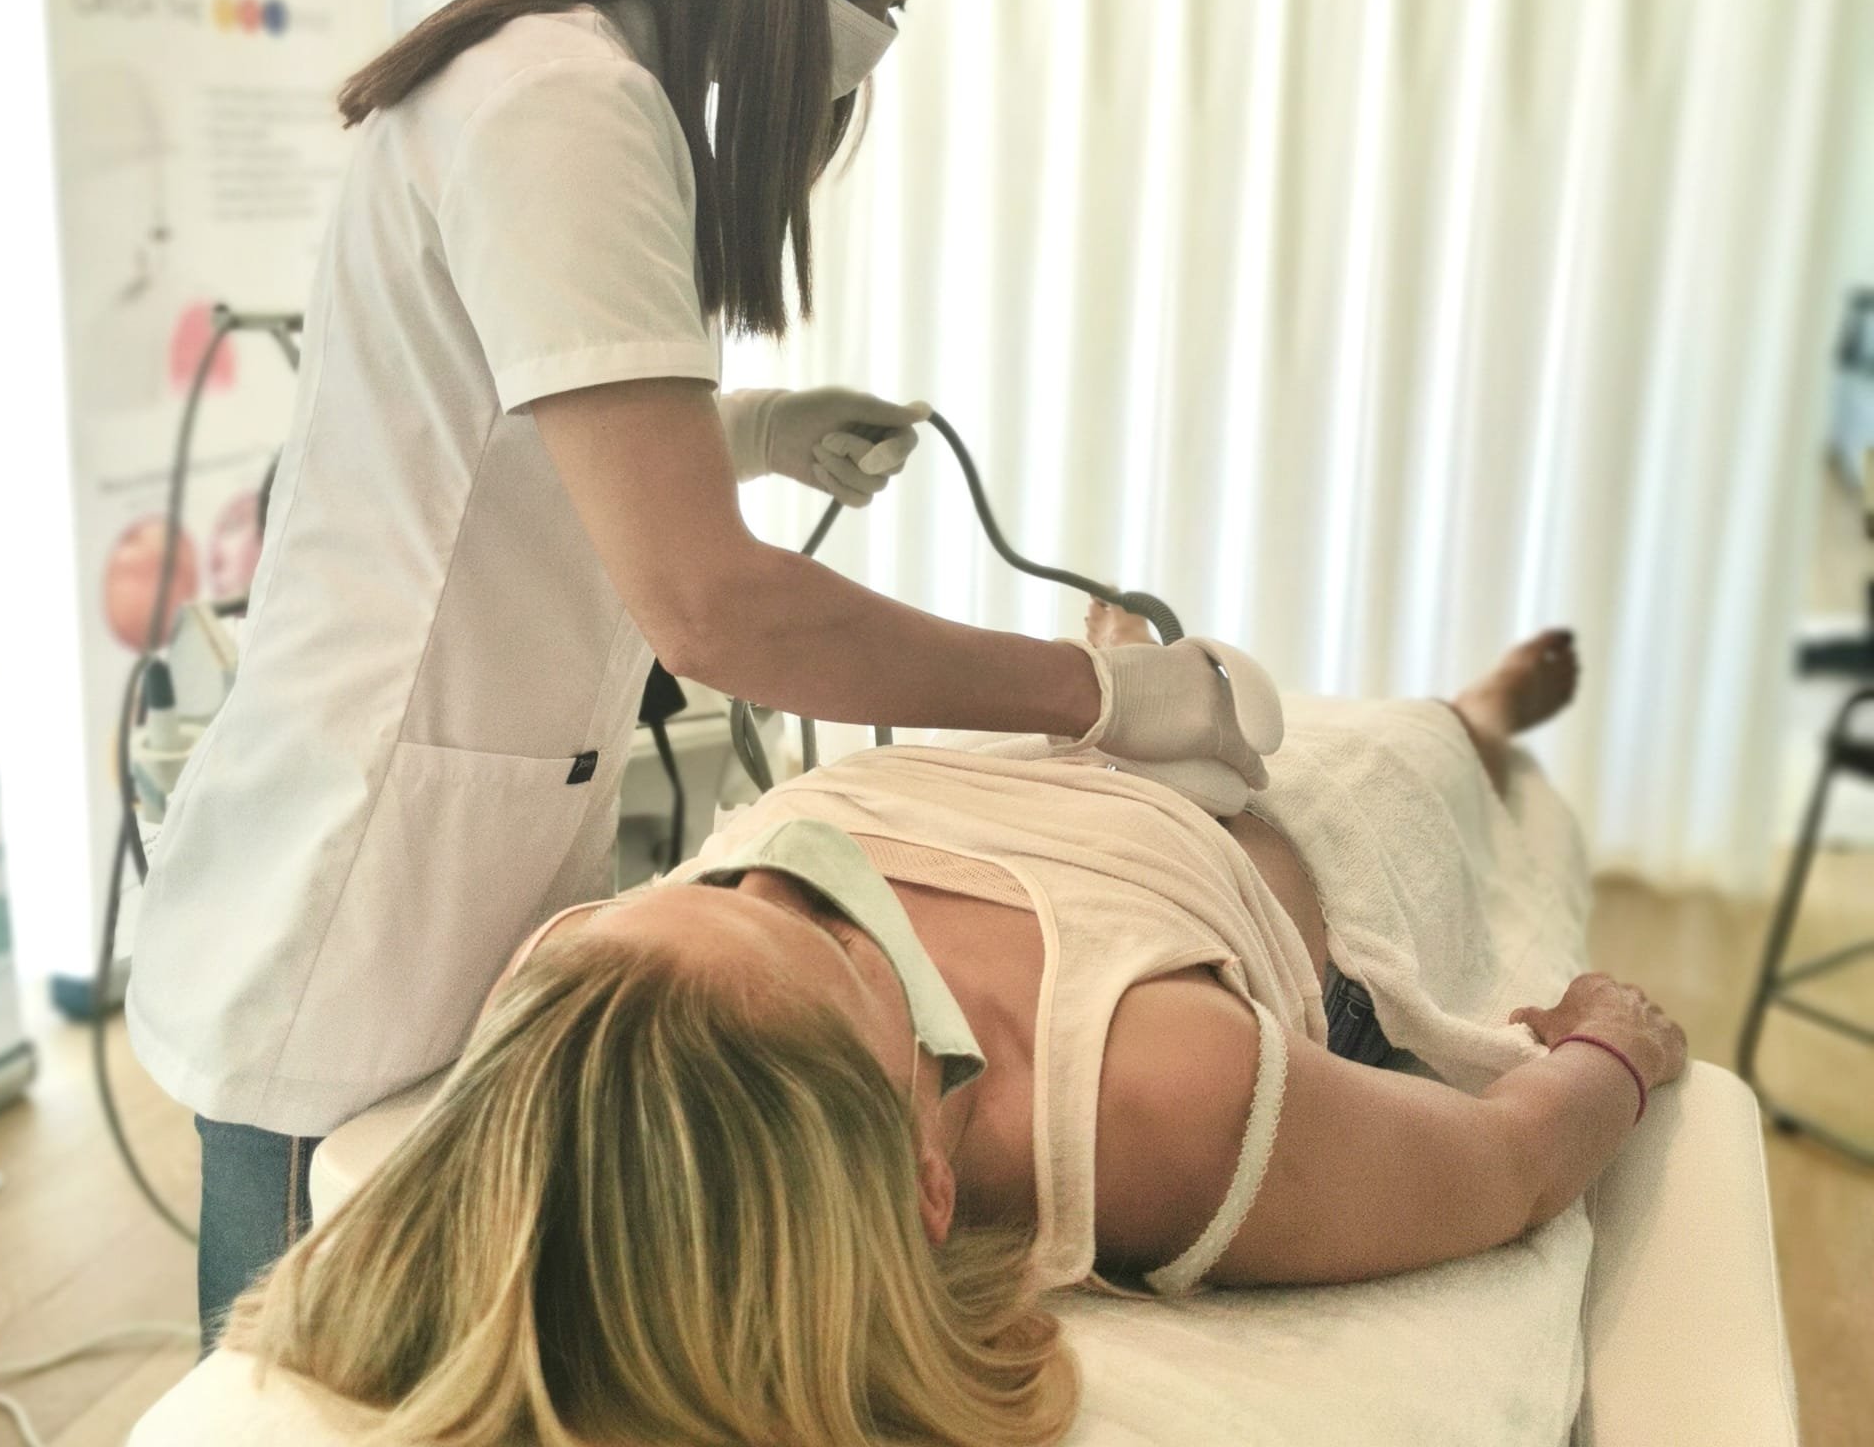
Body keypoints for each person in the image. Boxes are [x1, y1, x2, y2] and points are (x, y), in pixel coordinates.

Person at [125, 0, 1276, 1342]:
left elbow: (510, 432)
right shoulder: (564, 101)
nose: (869, 36)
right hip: (360, 898)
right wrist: (1102, 692)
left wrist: (758, 429)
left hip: (454, 861)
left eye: (905, 1)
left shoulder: (577, 88)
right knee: (306, 1377)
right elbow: (713, 608)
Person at [129, 618, 1687, 1447]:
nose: (808, 878)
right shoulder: (1150, 1098)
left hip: (1013, 751)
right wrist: (1609, 1053)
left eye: (726, 876)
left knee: (1173, 659)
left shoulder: (586, 983)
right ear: (928, 1179)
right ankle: (1474, 715)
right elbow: (1500, 1162)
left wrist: (1091, 690)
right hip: (1248, 829)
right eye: (824, 930)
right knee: (1385, 742)